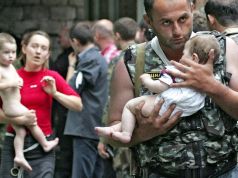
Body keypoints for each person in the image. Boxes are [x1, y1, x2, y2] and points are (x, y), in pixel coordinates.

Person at [106, 0, 238, 177]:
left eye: (183, 18)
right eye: (166, 22)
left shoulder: (221, 47)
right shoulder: (131, 62)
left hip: (224, 171)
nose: (177, 31)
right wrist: (143, 133)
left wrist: (212, 86)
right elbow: (111, 135)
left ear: (192, 9)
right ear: (149, 21)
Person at [96, 34, 220, 143]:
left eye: (184, 53)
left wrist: (146, 80)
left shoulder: (178, 70)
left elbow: (159, 87)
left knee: (130, 106)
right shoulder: (211, 76)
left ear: (193, 58)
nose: (181, 57)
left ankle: (125, 134)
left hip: (165, 105)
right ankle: (113, 129)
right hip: (188, 108)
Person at [0, 30, 82, 178]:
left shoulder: (52, 77)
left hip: (43, 146)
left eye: (43, 48)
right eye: (34, 46)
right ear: (24, 48)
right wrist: (17, 120)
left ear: (48, 54)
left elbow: (78, 105)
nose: (38, 52)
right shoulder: (11, 77)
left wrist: (55, 94)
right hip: (14, 142)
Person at [0, 32, 60, 172]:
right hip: (13, 107)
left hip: (15, 106)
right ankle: (45, 143)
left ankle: (19, 156)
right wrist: (11, 83)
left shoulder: (10, 67)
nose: (11, 56)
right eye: (6, 52)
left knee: (20, 132)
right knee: (32, 121)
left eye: (13, 52)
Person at [64, 23, 108, 178]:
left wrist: (71, 66)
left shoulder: (90, 59)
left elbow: (70, 89)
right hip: (93, 125)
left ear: (75, 41)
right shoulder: (96, 57)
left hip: (86, 126)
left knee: (81, 174)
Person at [49, 26, 74, 178]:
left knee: (65, 149)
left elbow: (70, 87)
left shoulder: (72, 56)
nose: (59, 39)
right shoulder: (64, 55)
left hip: (65, 106)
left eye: (61, 36)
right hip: (58, 107)